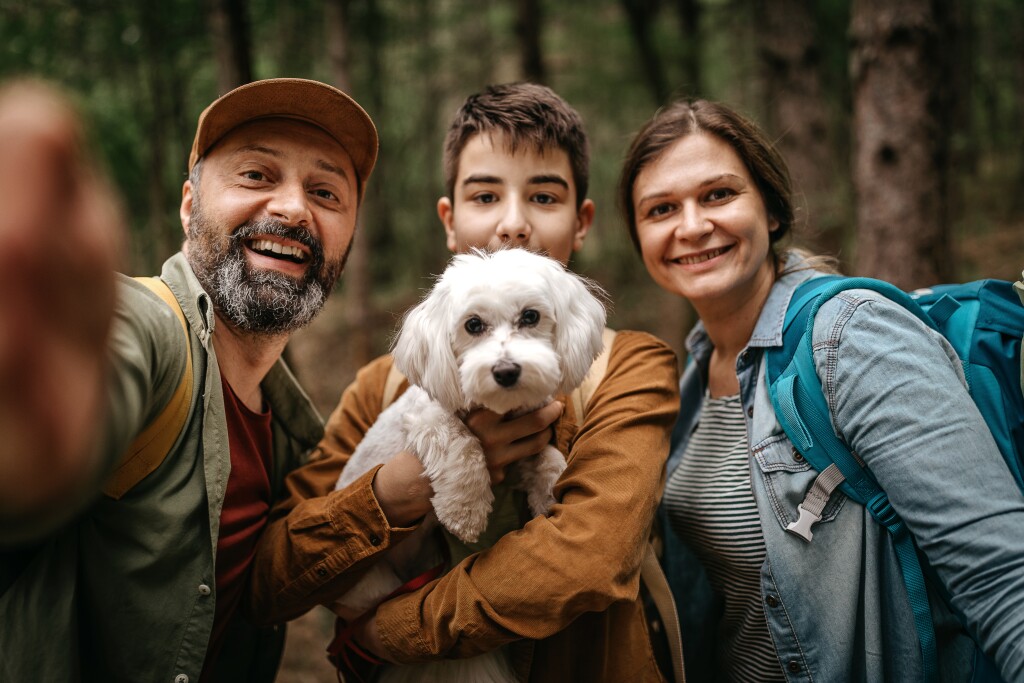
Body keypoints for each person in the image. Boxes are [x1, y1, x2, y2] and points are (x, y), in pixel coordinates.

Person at [249, 82, 681, 682]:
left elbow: (588, 560)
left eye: (544, 196)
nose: (512, 224)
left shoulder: (629, 370)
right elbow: (272, 576)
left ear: (583, 222)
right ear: (449, 221)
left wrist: (386, 633)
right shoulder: (382, 383)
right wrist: (395, 492)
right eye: (485, 195)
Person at [617, 99, 1024, 681]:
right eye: (661, 209)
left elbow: (998, 569)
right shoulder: (690, 376)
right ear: (639, 235)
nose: (691, 225)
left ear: (772, 211)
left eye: (718, 194)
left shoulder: (852, 334)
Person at [0, 77, 379, 683]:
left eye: (326, 192)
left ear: (348, 241)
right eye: (256, 175)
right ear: (188, 205)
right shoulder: (143, 330)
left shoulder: (295, 437)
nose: (292, 207)